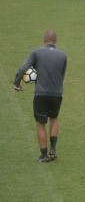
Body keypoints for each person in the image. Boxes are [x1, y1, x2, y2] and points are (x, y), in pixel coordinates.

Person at [13, 30, 67, 163]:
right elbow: (62, 75)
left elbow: (22, 69)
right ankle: (53, 149)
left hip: (41, 94)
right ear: (56, 40)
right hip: (57, 94)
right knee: (54, 118)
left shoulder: (36, 53)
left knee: (41, 123)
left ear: (44, 40)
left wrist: (17, 82)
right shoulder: (63, 56)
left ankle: (44, 155)